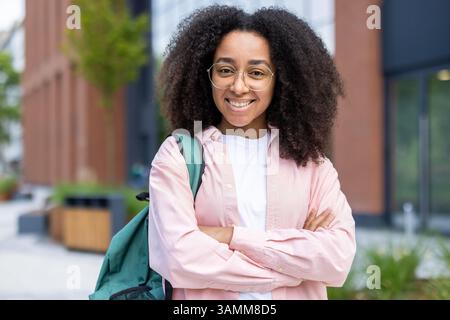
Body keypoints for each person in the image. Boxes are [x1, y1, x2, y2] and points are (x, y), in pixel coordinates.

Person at [148, 5, 356, 300]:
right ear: (206, 75)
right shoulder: (179, 156)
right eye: (225, 70)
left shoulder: (311, 163)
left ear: (280, 79)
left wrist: (230, 236)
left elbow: (336, 258)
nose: (239, 86)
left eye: (257, 72)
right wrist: (295, 267)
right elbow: (180, 259)